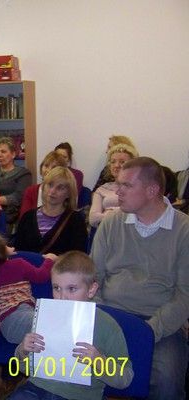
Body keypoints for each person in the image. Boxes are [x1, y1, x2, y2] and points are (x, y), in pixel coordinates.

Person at [91, 157, 189, 399]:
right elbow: (93, 278)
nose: (118, 192)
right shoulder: (111, 222)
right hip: (110, 315)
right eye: (118, 184)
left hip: (160, 324)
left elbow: (184, 294)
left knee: (167, 380)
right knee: (69, 367)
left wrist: (147, 331)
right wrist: (103, 320)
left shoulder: (184, 230)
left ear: (152, 190)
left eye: (126, 185)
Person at [10, 251, 133, 400]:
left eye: (72, 289)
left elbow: (125, 378)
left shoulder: (107, 325)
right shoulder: (45, 316)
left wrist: (99, 361)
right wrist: (23, 350)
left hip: (80, 395)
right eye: (56, 288)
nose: (62, 297)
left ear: (91, 290)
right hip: (37, 387)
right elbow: (24, 368)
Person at [0, 232, 56, 344]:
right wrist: (50, 259)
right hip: (21, 314)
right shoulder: (18, 264)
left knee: (46, 339)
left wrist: (4, 252)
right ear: (4, 249)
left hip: (6, 328)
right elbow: (41, 276)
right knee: (57, 326)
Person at [14, 167, 87, 255]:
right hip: (28, 264)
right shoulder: (28, 217)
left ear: (68, 193)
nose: (52, 191)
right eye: (50, 185)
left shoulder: (76, 220)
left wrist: (58, 259)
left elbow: (79, 256)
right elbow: (18, 251)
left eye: (60, 188)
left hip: (60, 264)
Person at [89, 143, 138, 227]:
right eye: (113, 162)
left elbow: (139, 216)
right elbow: (93, 219)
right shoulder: (102, 189)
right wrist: (121, 214)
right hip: (106, 230)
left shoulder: (138, 188)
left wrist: (108, 212)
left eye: (122, 162)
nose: (116, 165)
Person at [0, 137, 32, 235]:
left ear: (13, 154)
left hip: (11, 219)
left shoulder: (23, 173)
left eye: (3, 152)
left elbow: (19, 197)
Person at [19, 151, 68, 219]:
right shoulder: (31, 191)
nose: (48, 170)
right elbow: (24, 218)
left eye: (54, 167)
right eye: (46, 166)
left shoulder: (64, 192)